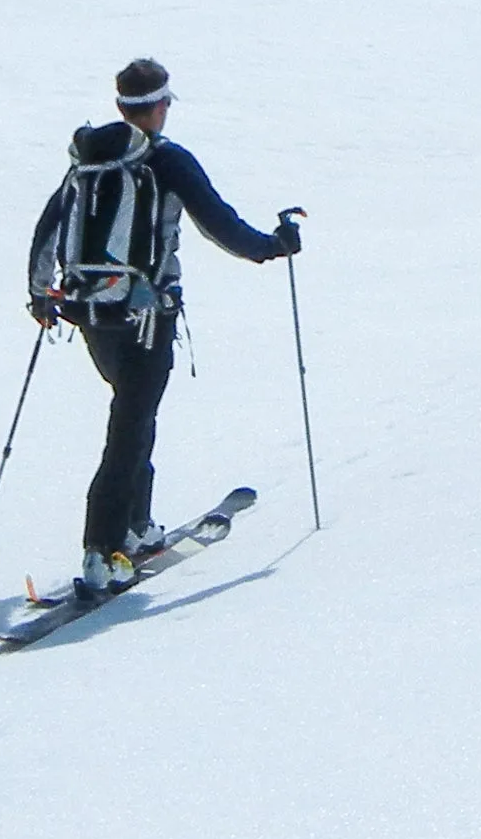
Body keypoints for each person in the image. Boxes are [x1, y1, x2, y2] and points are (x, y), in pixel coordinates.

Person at [25, 58, 299, 599]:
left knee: (134, 413)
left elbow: (48, 226)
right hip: (147, 317)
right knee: (128, 429)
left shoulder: (86, 160)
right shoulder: (165, 160)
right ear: (158, 106)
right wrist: (274, 246)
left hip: (89, 314)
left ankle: (133, 526)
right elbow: (221, 225)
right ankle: (102, 550)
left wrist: (40, 295)